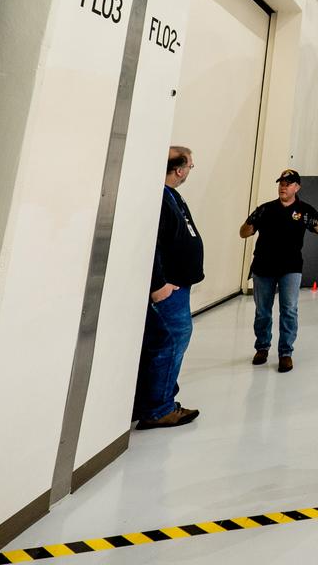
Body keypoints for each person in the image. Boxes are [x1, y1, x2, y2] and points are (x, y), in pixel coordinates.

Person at [133, 146, 204, 430]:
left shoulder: (170, 196)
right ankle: (159, 408)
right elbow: (151, 243)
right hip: (167, 289)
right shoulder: (159, 198)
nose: (190, 171)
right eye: (190, 165)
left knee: (168, 341)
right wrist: (158, 284)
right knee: (171, 341)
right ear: (179, 169)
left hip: (176, 284)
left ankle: (153, 401)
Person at [239, 169, 318, 372]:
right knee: (262, 312)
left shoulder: (304, 210)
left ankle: (285, 352)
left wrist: (312, 223)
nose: (283, 186)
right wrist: (251, 223)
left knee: (289, 310)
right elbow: (243, 232)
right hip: (263, 267)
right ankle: (262, 347)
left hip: (290, 267)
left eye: (288, 183)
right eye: (281, 183)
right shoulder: (266, 209)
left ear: (297, 187)